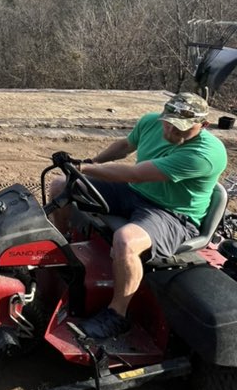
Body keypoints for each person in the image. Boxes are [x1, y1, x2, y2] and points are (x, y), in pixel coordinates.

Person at [47, 92, 227, 340]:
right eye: (169, 123)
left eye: (181, 128)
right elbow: (125, 146)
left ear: (204, 125)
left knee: (125, 240)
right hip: (134, 193)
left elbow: (136, 174)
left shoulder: (205, 155)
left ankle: (117, 315)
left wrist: (83, 168)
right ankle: (66, 250)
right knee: (60, 186)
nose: (172, 131)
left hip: (173, 214)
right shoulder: (150, 122)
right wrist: (90, 161)